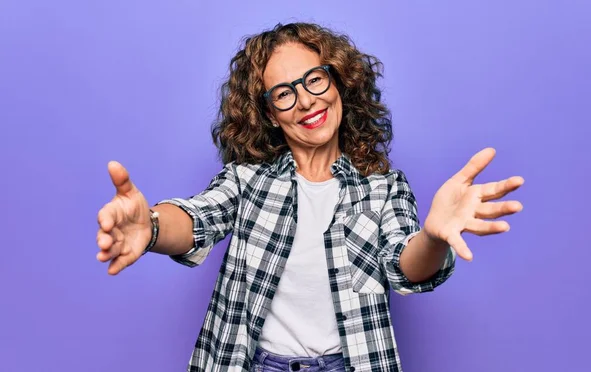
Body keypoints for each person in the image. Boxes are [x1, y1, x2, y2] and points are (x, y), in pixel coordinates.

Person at [96, 22, 524, 372]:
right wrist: (150, 227)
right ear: (269, 113)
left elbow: (404, 266)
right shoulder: (248, 181)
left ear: (338, 83)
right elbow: (198, 218)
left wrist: (432, 236)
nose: (306, 101)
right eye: (284, 93)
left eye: (314, 80)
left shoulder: (384, 187)